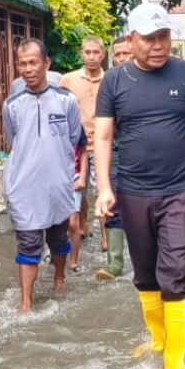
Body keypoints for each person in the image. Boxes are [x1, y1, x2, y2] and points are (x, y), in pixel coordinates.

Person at [94, 4, 185, 369]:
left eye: (163, 37)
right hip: (133, 192)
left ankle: (176, 363)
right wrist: (104, 187)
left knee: (176, 273)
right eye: (149, 39)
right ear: (130, 40)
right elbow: (102, 137)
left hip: (181, 192)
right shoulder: (115, 82)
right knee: (146, 274)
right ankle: (158, 338)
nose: (158, 46)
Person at [2, 39, 83, 312]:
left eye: (33, 62)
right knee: (28, 243)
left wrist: (77, 176)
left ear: (46, 64)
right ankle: (25, 303)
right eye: (22, 63)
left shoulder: (67, 101)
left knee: (58, 238)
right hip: (24, 188)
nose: (28, 69)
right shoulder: (11, 105)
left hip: (58, 186)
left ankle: (59, 278)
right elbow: (14, 142)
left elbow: (75, 139)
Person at [60, 36, 106, 270]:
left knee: (103, 191)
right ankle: (83, 225)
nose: (91, 56)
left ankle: (105, 237)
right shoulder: (68, 80)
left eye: (95, 52)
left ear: (102, 55)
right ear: (81, 53)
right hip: (76, 148)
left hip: (102, 145)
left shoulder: (109, 80)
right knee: (80, 191)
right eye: (87, 52)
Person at [95, 35, 131, 281]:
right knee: (113, 208)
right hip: (116, 156)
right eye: (116, 54)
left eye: (125, 53)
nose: (120, 59)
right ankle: (115, 264)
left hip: (146, 160)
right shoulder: (110, 83)